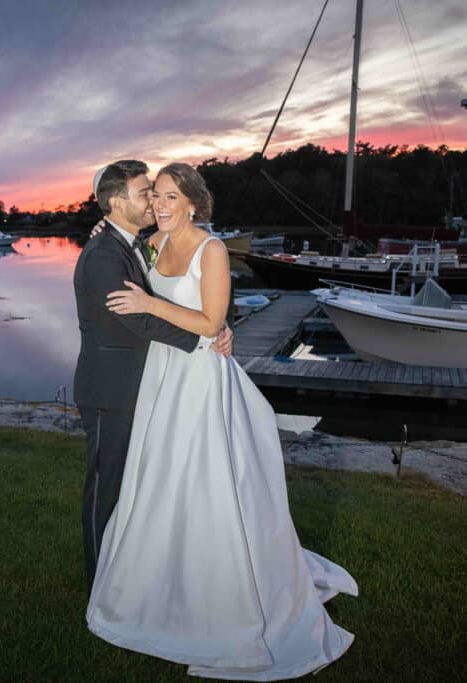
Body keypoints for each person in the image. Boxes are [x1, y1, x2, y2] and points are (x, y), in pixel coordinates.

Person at [87, 163, 357, 679]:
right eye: (155, 198)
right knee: (160, 478)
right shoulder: (150, 245)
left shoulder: (211, 250)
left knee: (203, 476)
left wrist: (151, 303)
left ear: (193, 202)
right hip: (161, 376)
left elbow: (211, 322)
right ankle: (161, 579)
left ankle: (223, 591)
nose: (161, 206)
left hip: (199, 380)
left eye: (170, 197)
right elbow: (120, 246)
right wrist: (102, 226)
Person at [72, 160, 233, 595]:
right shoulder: (107, 252)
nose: (153, 203)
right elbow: (137, 321)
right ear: (117, 201)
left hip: (150, 383)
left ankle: (135, 569)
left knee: (150, 482)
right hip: (111, 387)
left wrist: (215, 324)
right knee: (105, 487)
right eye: (146, 193)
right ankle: (98, 583)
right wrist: (202, 337)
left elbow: (191, 300)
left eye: (162, 195)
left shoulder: (137, 244)